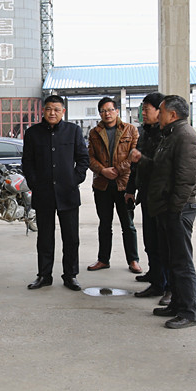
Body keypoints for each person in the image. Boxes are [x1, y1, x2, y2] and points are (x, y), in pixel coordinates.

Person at [130, 95, 196, 329]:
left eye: (160, 111)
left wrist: (174, 210)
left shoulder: (185, 137)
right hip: (165, 209)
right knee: (171, 260)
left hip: (177, 211)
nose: (157, 115)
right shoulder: (170, 135)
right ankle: (177, 305)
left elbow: (186, 180)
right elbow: (160, 168)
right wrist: (142, 160)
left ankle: (189, 312)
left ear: (172, 114)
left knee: (182, 262)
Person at [21, 95, 90, 291]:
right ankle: (44, 275)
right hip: (43, 193)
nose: (52, 113)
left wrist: (74, 179)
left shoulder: (73, 131)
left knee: (71, 238)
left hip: (68, 193)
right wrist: (34, 183)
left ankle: (70, 275)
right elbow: (27, 162)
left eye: (57, 109)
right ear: (43, 110)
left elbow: (83, 159)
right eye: (49, 109)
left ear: (63, 112)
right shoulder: (33, 133)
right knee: (44, 237)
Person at [125, 92, 171, 305]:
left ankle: (169, 287)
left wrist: (141, 158)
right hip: (147, 195)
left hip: (163, 198)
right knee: (151, 241)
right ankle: (156, 278)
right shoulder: (145, 132)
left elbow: (163, 168)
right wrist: (130, 189)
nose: (143, 113)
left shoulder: (167, 134)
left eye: (147, 109)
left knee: (165, 245)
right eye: (142, 109)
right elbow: (136, 165)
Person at [86, 97, 141, 274]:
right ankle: (103, 260)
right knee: (104, 224)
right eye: (103, 111)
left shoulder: (130, 130)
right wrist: (103, 170)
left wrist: (117, 170)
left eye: (110, 110)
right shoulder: (94, 132)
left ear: (117, 111)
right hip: (102, 185)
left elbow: (134, 155)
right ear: (99, 113)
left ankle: (133, 260)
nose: (107, 114)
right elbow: (89, 157)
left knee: (128, 225)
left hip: (123, 184)